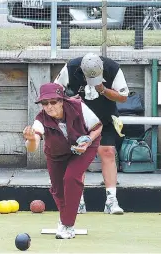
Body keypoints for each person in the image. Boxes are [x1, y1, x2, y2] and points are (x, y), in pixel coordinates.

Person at [23, 83, 102, 239]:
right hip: (56, 153)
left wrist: (88, 142)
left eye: (53, 102)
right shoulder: (40, 119)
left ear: (62, 100)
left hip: (84, 147)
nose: (49, 107)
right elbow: (33, 146)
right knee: (58, 189)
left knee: (71, 178)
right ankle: (65, 220)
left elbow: (97, 127)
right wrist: (31, 139)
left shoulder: (78, 107)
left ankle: (67, 225)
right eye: (45, 103)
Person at [54, 53, 129, 215]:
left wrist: (103, 90)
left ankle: (111, 200)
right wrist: (68, 101)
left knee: (107, 151)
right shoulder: (70, 67)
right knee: (78, 156)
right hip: (78, 119)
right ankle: (77, 200)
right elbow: (55, 91)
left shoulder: (113, 69)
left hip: (105, 117)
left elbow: (123, 97)